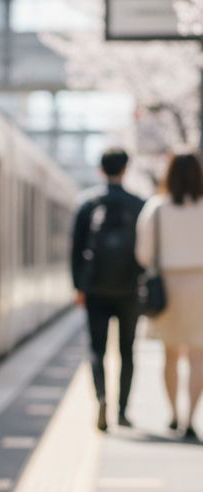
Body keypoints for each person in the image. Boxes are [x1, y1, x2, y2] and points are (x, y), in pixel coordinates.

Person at [71, 146, 144, 431]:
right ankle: (123, 411)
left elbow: (76, 249)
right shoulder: (138, 204)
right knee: (128, 351)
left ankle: (101, 397)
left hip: (95, 289)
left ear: (101, 170)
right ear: (125, 169)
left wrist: (79, 287)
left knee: (96, 349)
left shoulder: (87, 203)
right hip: (129, 290)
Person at [136, 150, 203, 440]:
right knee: (199, 356)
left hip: (168, 286)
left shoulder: (157, 208)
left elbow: (143, 254)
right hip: (201, 284)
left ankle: (174, 416)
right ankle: (191, 420)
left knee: (171, 354)